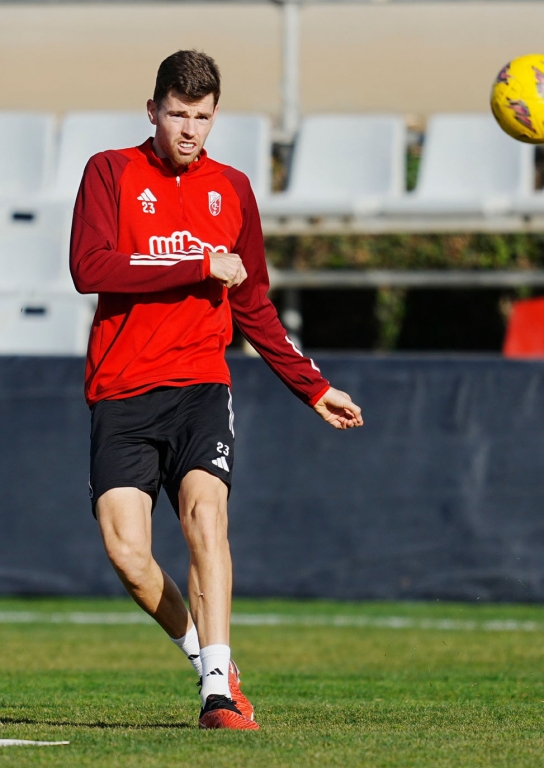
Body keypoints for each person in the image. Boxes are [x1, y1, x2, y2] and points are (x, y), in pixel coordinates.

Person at [70, 49, 363, 731]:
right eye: (177, 114)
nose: (189, 130)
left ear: (214, 117)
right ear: (153, 111)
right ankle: (207, 658)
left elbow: (252, 301)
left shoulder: (230, 189)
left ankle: (217, 695)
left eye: (201, 117)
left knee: (206, 518)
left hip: (201, 382)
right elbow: (91, 266)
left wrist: (311, 387)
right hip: (120, 389)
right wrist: (195, 261)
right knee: (129, 556)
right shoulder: (109, 172)